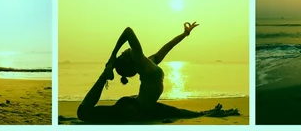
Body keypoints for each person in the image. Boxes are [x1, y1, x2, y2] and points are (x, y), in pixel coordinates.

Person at [76, 24, 239, 123]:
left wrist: (185, 34)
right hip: (134, 109)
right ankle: (104, 76)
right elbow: (128, 31)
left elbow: (167, 47)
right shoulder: (141, 63)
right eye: (123, 55)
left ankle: (210, 112)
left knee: (187, 114)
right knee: (83, 113)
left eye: (122, 53)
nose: (125, 51)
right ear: (131, 64)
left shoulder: (149, 62)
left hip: (144, 106)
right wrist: (112, 56)